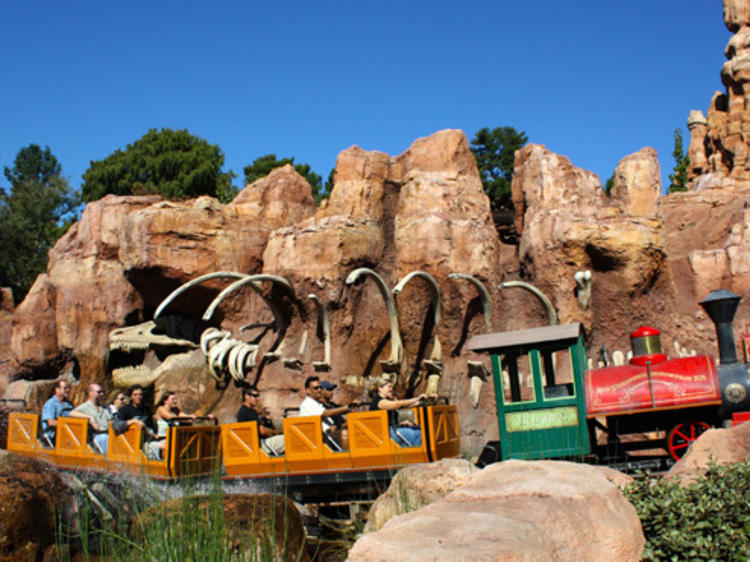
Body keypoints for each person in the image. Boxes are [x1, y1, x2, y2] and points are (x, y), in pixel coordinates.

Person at [370, 379, 425, 447]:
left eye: (392, 387)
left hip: (391, 430)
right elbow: (398, 404)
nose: (391, 389)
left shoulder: (386, 401)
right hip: (386, 433)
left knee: (420, 428)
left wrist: (420, 402)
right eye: (389, 387)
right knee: (419, 434)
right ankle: (420, 454)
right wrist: (417, 398)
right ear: (380, 388)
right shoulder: (379, 402)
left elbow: (402, 406)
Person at [299, 376, 349, 449]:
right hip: (318, 438)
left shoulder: (318, 404)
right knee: (345, 434)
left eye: (320, 388)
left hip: (328, 435)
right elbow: (325, 414)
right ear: (308, 391)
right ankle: (347, 458)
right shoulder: (307, 404)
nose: (319, 390)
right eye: (316, 388)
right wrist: (345, 408)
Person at [237, 387, 285, 455]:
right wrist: (275, 432)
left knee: (281, 425)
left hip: (252, 445)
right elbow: (262, 431)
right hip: (260, 446)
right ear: (247, 396)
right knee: (287, 439)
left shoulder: (242, 411)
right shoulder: (250, 411)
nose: (257, 399)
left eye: (258, 396)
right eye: (255, 396)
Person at [70, 383, 111, 454]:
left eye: (102, 392)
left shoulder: (104, 409)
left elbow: (111, 421)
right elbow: (72, 413)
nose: (101, 394)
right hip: (96, 437)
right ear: (90, 393)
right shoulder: (85, 406)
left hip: (108, 435)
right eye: (99, 392)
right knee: (105, 439)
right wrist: (90, 417)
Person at [42, 380, 74, 445]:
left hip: (67, 434)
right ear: (57, 390)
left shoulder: (69, 404)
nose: (68, 390)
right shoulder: (51, 404)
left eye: (68, 388)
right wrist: (68, 426)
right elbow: (51, 422)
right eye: (65, 388)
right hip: (53, 436)